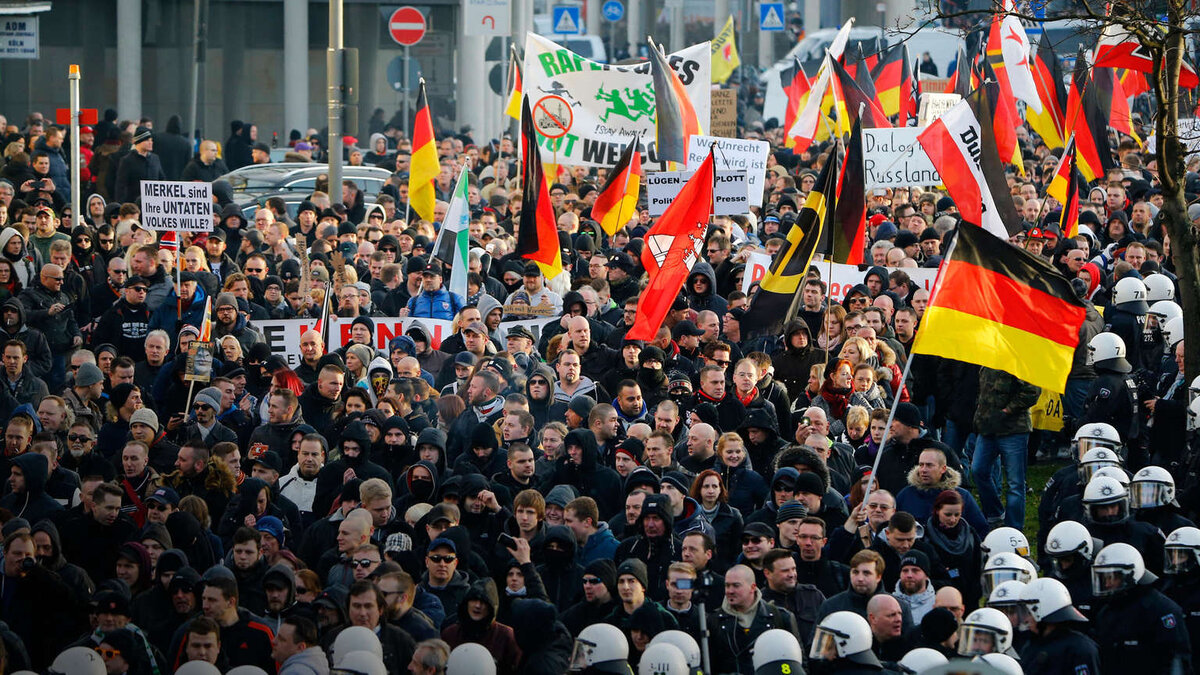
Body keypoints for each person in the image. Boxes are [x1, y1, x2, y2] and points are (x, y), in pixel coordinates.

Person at [1090, 542, 1191, 673]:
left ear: (1130, 575)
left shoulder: (1161, 609)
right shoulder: (1105, 612)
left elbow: (1176, 659)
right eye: (1104, 578)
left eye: (1113, 578)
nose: (1108, 584)